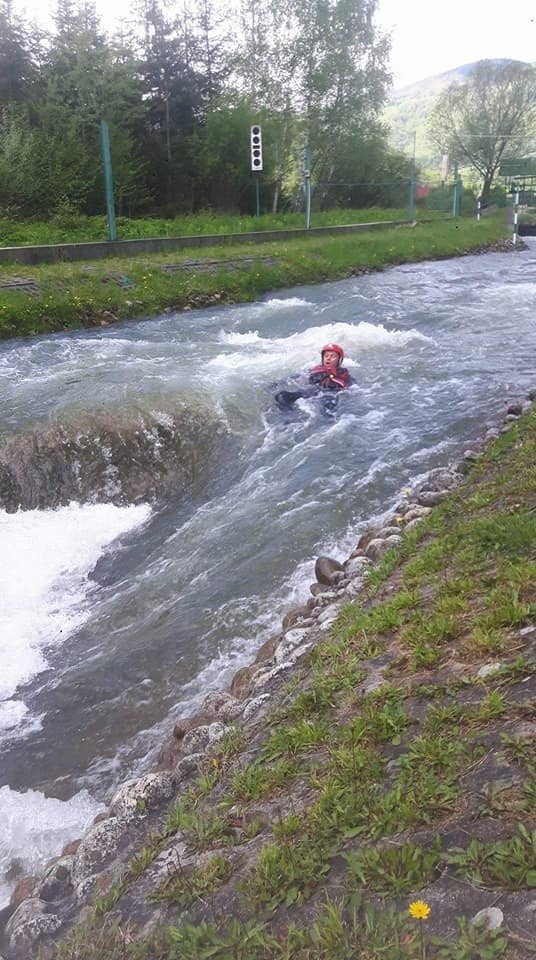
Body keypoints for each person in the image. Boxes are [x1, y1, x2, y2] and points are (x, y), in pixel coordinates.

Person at [274, 343, 353, 409]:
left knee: (328, 412)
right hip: (311, 392)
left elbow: (353, 388)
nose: (328, 358)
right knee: (281, 396)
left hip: (330, 395)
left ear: (339, 360)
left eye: (333, 356)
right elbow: (297, 376)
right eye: (326, 356)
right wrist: (278, 383)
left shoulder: (344, 375)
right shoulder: (314, 370)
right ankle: (288, 418)